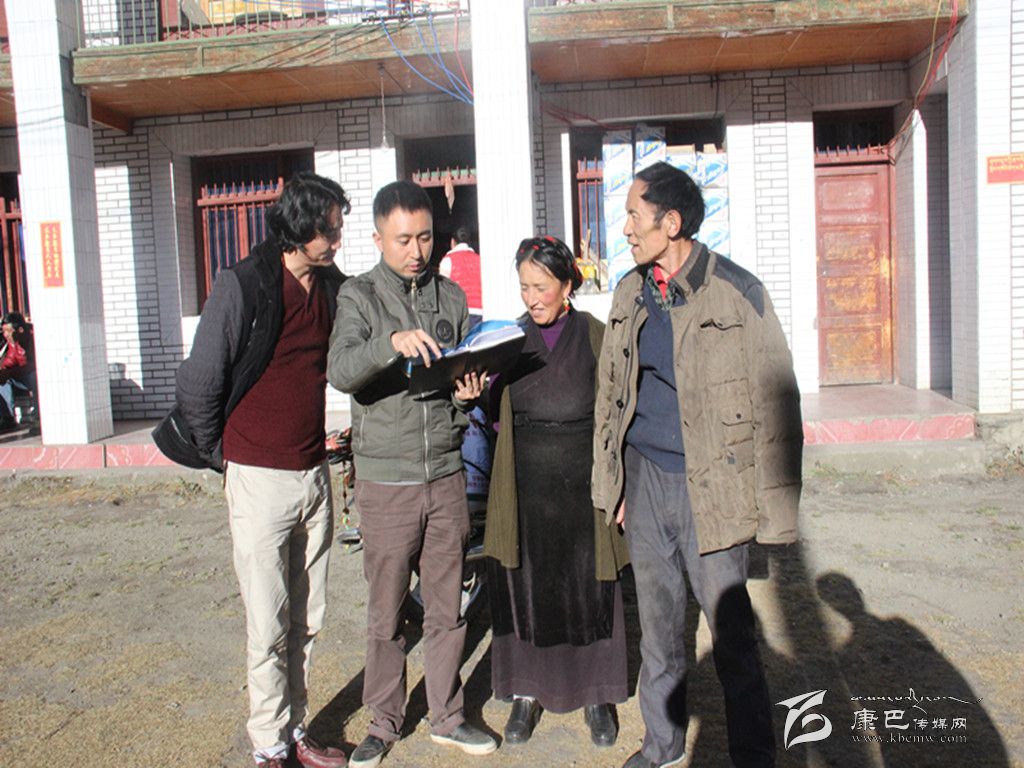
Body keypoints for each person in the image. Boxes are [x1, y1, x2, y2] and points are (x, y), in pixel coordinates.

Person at [592, 161, 803, 768]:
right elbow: (612, 392)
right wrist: (615, 482)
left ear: (671, 222)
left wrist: (774, 516)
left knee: (733, 639)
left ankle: (753, 756)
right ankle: (661, 745)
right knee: (659, 633)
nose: (625, 228)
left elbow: (777, 403)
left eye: (633, 215)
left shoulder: (737, 292)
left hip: (714, 487)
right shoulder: (630, 292)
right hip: (645, 482)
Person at [166, 172, 351, 768]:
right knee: (267, 623)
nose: (338, 240)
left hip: (313, 474)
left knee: (308, 618)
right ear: (299, 228)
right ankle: (269, 745)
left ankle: (296, 729)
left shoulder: (330, 287)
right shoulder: (243, 284)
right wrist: (221, 455)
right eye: (330, 230)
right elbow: (199, 380)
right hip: (257, 477)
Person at [327, 180, 496, 768]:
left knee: (448, 608)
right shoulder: (358, 296)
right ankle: (384, 720)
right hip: (386, 481)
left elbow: (456, 380)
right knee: (387, 612)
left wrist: (468, 396)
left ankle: (448, 715)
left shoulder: (451, 297)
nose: (417, 251)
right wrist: (391, 343)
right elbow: (341, 369)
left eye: (425, 238)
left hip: (446, 474)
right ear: (378, 239)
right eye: (403, 240)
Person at [483, 235, 630, 748]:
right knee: (526, 587)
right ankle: (526, 694)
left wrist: (620, 485)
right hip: (525, 488)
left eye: (541, 287)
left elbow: (618, 412)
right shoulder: (506, 340)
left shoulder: (594, 335)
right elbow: (489, 410)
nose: (532, 298)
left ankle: (597, 695)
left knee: (590, 589)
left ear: (567, 285)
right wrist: (471, 394)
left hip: (583, 488)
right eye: (524, 287)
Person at [438, 224, 482, 325]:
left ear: (452, 242)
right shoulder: (479, 259)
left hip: (459, 312)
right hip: (480, 311)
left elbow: (443, 290)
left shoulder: (447, 260)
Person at [0, 311, 36, 431]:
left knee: (35, 376)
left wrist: (10, 373)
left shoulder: (34, 339)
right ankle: (7, 418)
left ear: (20, 330)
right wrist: (4, 371)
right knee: (3, 379)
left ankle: (38, 417)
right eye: (3, 331)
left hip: (34, 379)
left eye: (8, 331)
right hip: (23, 378)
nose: (5, 335)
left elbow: (34, 366)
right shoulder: (13, 343)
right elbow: (10, 361)